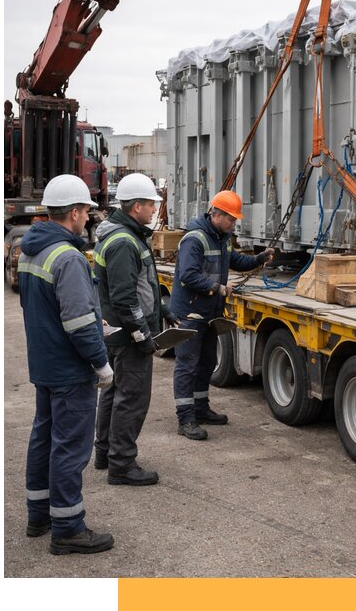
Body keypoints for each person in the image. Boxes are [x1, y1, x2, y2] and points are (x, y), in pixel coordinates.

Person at [18, 174, 115, 555]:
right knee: (70, 448)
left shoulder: (31, 250)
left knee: (44, 439)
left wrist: (91, 320)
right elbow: (76, 322)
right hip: (70, 369)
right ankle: (68, 528)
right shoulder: (69, 257)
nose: (88, 217)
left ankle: (39, 515)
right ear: (74, 212)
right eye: (86, 211)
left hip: (44, 364)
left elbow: (43, 308)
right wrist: (100, 362)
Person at [93, 173, 177, 485]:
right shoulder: (124, 242)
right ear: (136, 206)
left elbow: (142, 286)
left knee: (114, 393)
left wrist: (163, 311)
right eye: (151, 203)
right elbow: (125, 298)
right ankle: (122, 464)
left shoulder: (124, 235)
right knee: (132, 398)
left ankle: (106, 453)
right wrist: (142, 335)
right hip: (128, 336)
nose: (155, 208)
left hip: (117, 332)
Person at [170, 190, 274, 440]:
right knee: (187, 366)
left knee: (206, 363)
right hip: (190, 313)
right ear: (216, 214)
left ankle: (201, 409)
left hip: (209, 313)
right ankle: (185, 419)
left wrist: (258, 259)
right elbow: (188, 275)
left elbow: (234, 260)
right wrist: (218, 288)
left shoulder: (222, 237)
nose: (234, 223)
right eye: (231, 219)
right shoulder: (195, 239)